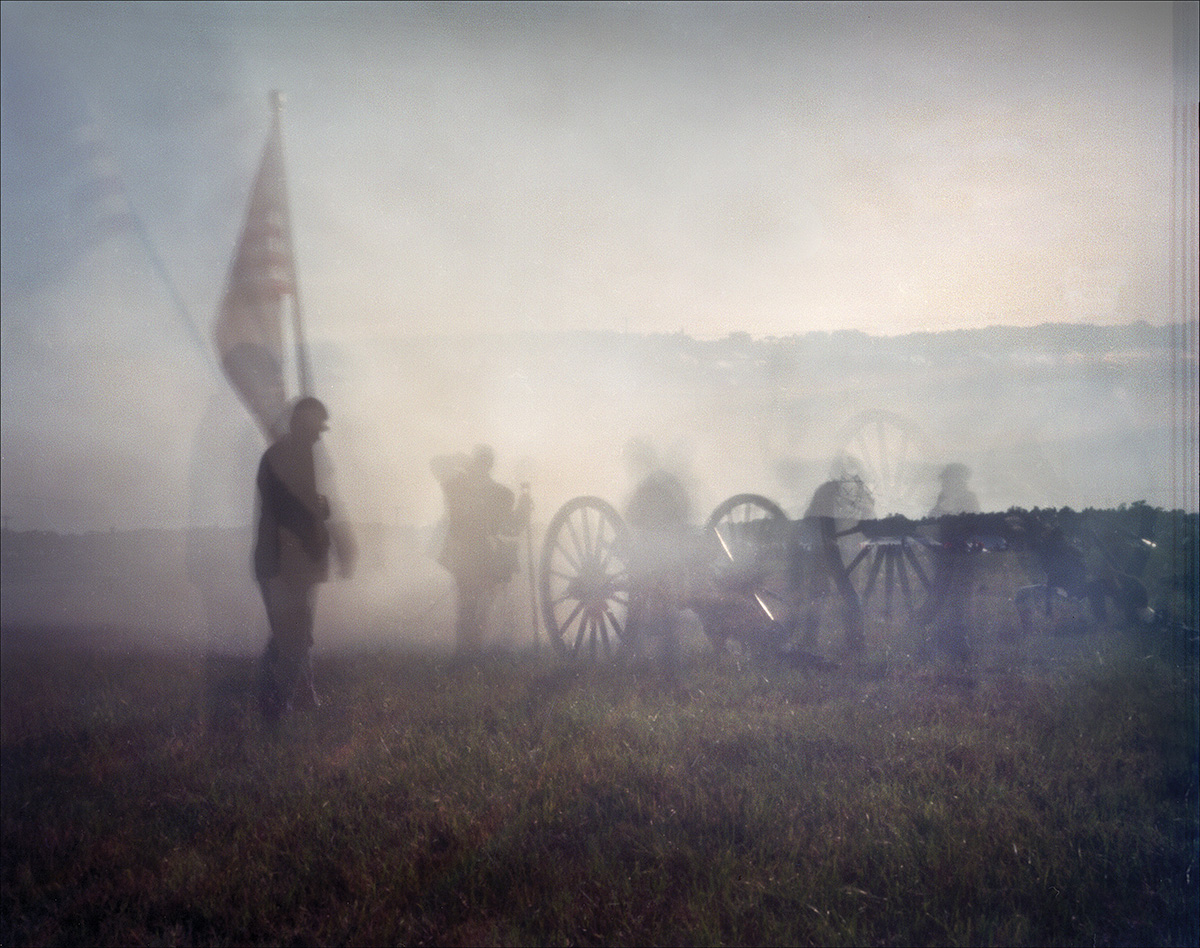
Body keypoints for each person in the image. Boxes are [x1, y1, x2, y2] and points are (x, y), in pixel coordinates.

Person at [254, 397, 354, 722]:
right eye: (316, 427)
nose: (319, 435)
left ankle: (303, 696)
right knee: (294, 637)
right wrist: (315, 512)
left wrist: (328, 526)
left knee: (298, 632)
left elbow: (320, 507)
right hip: (282, 563)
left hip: (300, 563)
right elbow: (284, 508)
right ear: (301, 424)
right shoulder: (280, 457)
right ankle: (278, 706)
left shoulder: (304, 457)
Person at [432, 444, 531, 657]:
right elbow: (437, 465)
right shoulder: (462, 486)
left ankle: (468, 653)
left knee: (476, 606)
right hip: (468, 552)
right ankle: (466, 654)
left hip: (481, 554)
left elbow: (510, 527)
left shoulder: (497, 493)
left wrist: (524, 508)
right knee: (471, 605)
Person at [792, 456, 874, 654]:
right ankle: (814, 640)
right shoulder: (828, 492)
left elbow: (869, 523)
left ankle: (853, 642)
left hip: (847, 551)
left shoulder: (860, 494)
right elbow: (811, 520)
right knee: (824, 594)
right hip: (827, 551)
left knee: (845, 596)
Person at [915, 462, 981, 659]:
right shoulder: (943, 498)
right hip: (945, 556)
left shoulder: (968, 499)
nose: (945, 483)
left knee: (958, 599)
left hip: (962, 556)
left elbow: (973, 525)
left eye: (949, 479)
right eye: (945, 480)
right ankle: (935, 640)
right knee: (940, 596)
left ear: (959, 480)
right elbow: (931, 519)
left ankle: (959, 647)